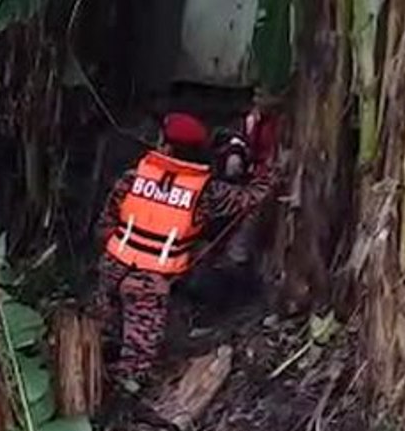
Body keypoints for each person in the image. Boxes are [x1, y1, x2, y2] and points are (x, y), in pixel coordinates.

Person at [91, 111, 279, 391]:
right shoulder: (204, 192)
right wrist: (268, 170)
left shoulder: (135, 176)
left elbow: (106, 221)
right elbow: (254, 196)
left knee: (101, 330)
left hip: (114, 264)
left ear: (165, 145)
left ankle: (95, 368)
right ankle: (118, 392)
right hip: (151, 280)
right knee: (137, 358)